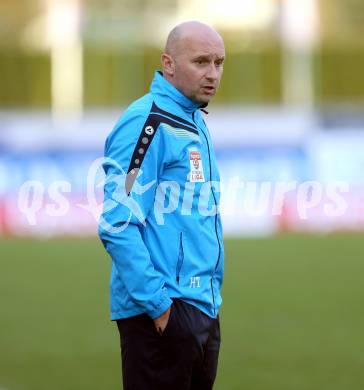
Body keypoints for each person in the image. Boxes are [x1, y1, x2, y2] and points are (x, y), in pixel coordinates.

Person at [98, 20, 225, 390]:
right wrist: (159, 305)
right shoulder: (147, 123)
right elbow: (117, 224)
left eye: (219, 62)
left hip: (201, 307)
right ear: (168, 64)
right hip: (164, 310)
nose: (212, 74)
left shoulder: (193, 119)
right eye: (201, 62)